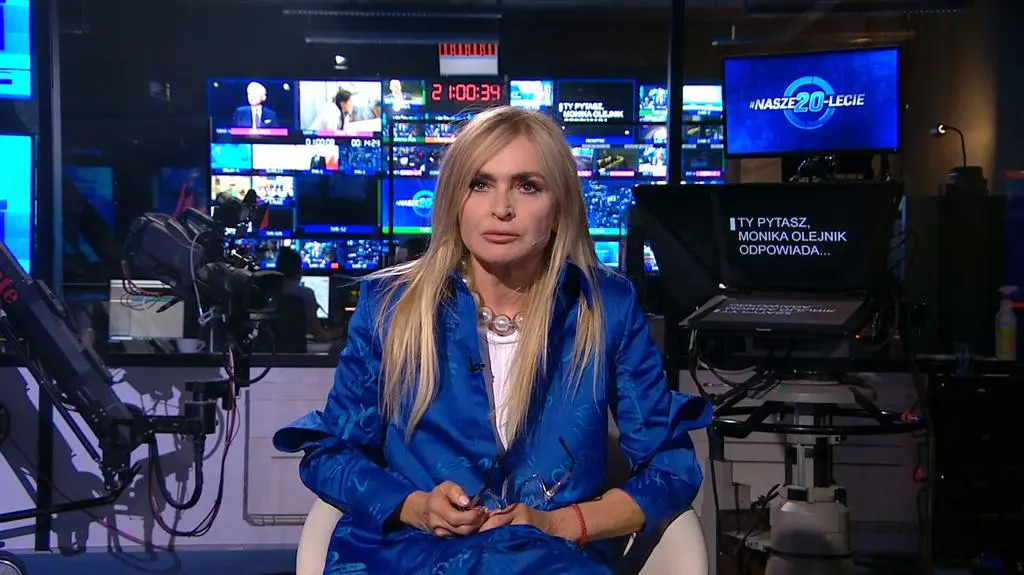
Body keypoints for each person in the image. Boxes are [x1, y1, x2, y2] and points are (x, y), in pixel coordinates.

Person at [273, 107, 712, 574]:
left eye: (527, 186)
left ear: (558, 206)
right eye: (480, 184)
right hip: (409, 556)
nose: (501, 208)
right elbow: (331, 453)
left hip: (549, 561)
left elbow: (670, 466)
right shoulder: (390, 306)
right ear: (453, 201)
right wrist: (414, 506)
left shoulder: (604, 308)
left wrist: (563, 523)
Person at [276, 247, 342, 343]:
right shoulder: (306, 294)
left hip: (270, 350)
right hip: (298, 351)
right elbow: (320, 336)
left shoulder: (270, 293)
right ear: (299, 270)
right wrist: (337, 333)